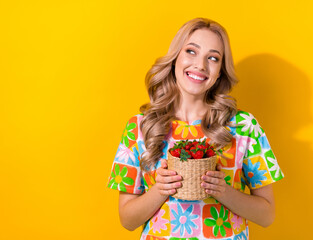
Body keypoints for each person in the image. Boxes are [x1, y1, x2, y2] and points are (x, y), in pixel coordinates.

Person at [107, 17, 284, 239]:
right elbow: (127, 220)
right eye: (191, 51)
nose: (200, 65)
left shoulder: (244, 127)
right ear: (175, 59)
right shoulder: (140, 127)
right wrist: (160, 190)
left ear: (220, 71)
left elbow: (267, 216)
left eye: (213, 58)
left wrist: (223, 191)